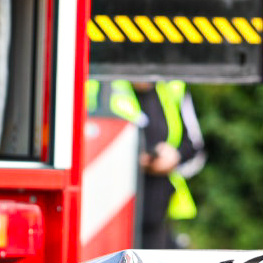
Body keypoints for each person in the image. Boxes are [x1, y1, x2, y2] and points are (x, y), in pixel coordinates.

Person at [88, 79, 205, 248]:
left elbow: (195, 148)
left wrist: (174, 157)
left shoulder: (174, 87)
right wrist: (129, 159)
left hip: (157, 213)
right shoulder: (100, 84)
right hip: (107, 215)